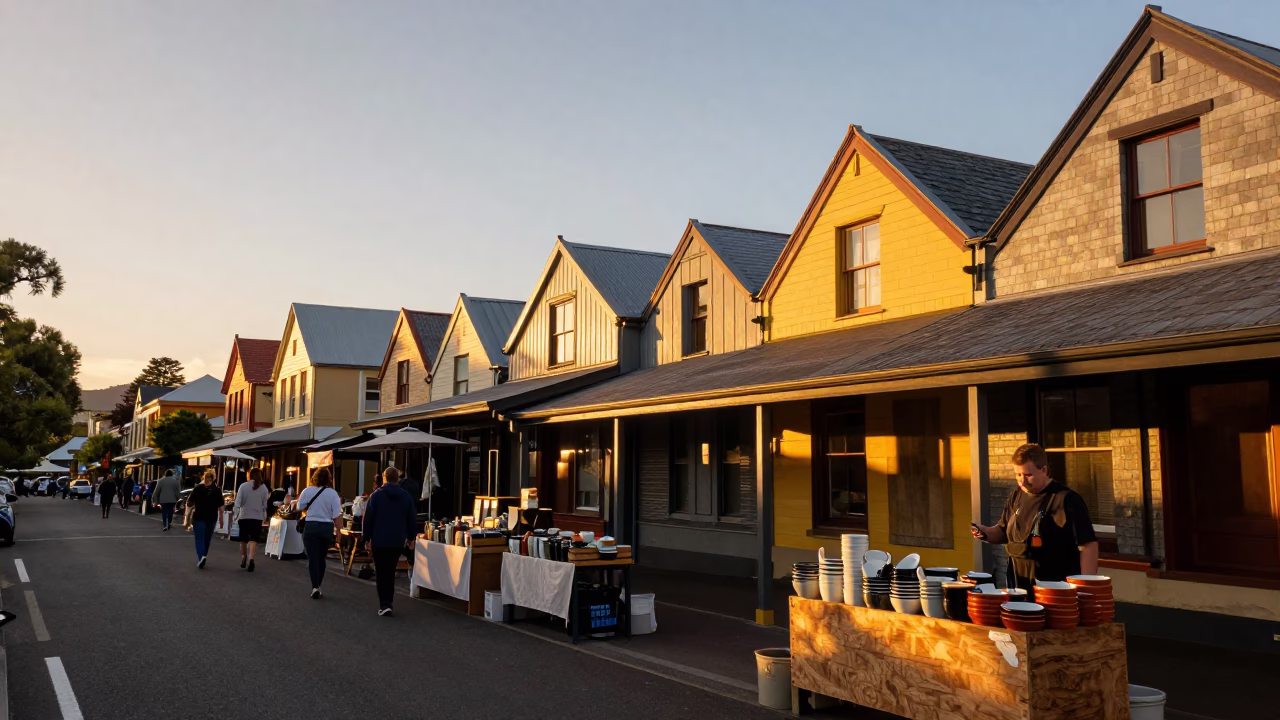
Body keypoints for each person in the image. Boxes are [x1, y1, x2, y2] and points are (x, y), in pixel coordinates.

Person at [971, 443, 1100, 592]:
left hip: (1055, 591)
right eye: (1018, 475)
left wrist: (1084, 589)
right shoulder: (1016, 497)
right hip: (1018, 589)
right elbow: (1003, 531)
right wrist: (984, 532)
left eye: (1028, 475)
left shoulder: (1067, 500)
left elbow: (1088, 545)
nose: (1022, 481)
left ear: (1044, 470)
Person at [361, 467, 417, 616]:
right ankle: (389, 602)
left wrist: (366, 538)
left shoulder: (376, 496)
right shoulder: (406, 496)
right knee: (390, 570)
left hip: (379, 540)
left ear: (385, 478)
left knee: (381, 572)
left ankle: (384, 603)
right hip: (397, 540)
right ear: (397, 479)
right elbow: (411, 518)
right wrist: (411, 537)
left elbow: (368, 519)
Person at [297, 467, 343, 599]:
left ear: (314, 478)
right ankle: (319, 585)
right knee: (321, 557)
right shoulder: (333, 493)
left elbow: (300, 507)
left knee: (312, 558)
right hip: (326, 527)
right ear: (329, 479)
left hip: (311, 525)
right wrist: (339, 532)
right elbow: (337, 515)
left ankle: (315, 586)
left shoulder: (307, 491)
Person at [185, 470, 225, 569]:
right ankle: (204, 556)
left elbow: (190, 502)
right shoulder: (217, 490)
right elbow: (221, 507)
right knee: (207, 539)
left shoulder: (198, 488)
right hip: (212, 517)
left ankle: (201, 557)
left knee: (199, 538)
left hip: (199, 517)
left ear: (204, 478)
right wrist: (221, 519)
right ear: (213, 478)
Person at [233, 468, 270, 572]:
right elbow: (265, 504)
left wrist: (235, 514)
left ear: (250, 475)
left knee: (243, 540)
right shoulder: (263, 488)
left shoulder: (243, 486)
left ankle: (244, 557)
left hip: (244, 515)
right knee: (254, 539)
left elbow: (238, 502)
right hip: (257, 517)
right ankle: (251, 559)